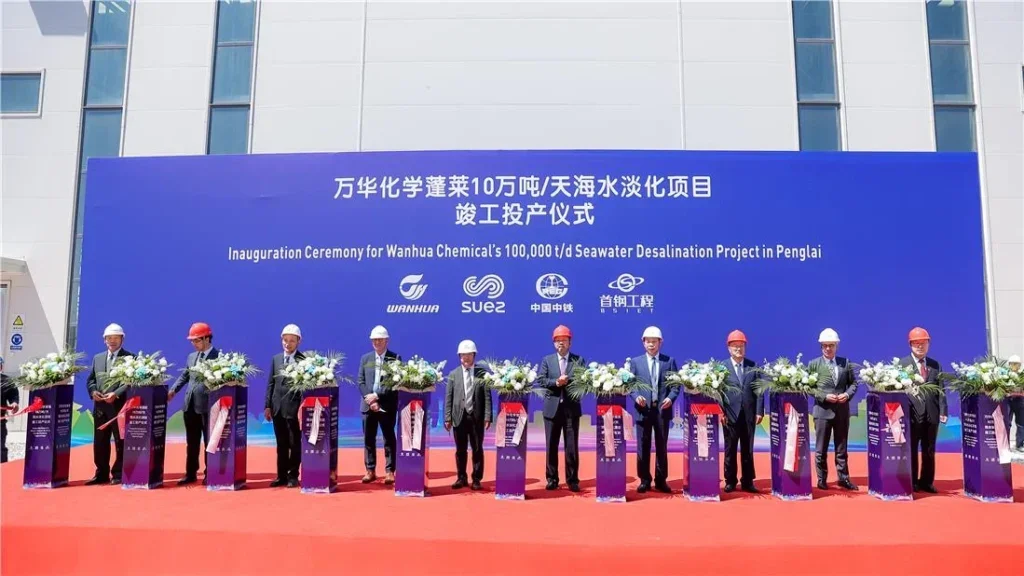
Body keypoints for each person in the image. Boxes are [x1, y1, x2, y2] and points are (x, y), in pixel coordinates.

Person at [629, 326, 679, 494]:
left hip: (662, 410)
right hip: (643, 410)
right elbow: (630, 385)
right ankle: (644, 480)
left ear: (660, 342)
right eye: (648, 341)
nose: (651, 344)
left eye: (654, 341)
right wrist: (636, 397)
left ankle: (661, 480)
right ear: (643, 343)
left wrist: (670, 398)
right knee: (643, 446)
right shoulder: (635, 362)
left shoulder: (669, 361)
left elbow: (675, 386)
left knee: (661, 446)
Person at [168, 322, 219, 485]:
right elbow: (185, 376)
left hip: (207, 406)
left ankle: (210, 473)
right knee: (192, 441)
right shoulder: (191, 357)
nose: (194, 344)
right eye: (192, 341)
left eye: (197, 340)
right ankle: (190, 473)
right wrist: (173, 390)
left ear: (207, 338)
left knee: (209, 441)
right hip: (189, 405)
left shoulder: (218, 357)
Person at [808, 328, 858, 491]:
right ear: (821, 346)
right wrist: (824, 396)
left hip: (842, 412)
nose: (828, 348)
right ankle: (822, 479)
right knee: (821, 449)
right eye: (825, 345)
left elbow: (853, 383)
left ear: (837, 346)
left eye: (831, 345)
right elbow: (808, 387)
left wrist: (847, 394)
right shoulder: (814, 364)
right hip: (822, 412)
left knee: (841, 448)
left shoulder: (845, 363)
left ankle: (843, 478)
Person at [537, 325, 585, 492]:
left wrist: (568, 380)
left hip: (571, 410)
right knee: (551, 445)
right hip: (552, 409)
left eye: (564, 340)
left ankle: (572, 480)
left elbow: (582, 380)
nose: (561, 343)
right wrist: (556, 382)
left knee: (571, 446)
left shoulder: (578, 360)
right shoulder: (547, 360)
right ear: (553, 343)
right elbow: (541, 380)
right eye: (557, 340)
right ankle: (552, 479)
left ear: (570, 342)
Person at [85, 323, 134, 485]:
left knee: (120, 441)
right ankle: (101, 473)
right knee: (100, 442)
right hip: (101, 408)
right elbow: (91, 380)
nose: (112, 341)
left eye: (116, 338)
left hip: (119, 407)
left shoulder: (130, 358)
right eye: (109, 338)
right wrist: (93, 392)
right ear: (104, 340)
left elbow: (130, 382)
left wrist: (116, 393)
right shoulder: (98, 358)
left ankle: (118, 473)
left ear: (122, 339)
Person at [901, 327, 946, 494]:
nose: (920, 346)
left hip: (932, 414)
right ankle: (912, 481)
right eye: (916, 343)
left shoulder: (935, 365)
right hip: (912, 414)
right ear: (910, 345)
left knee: (929, 449)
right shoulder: (903, 364)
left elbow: (941, 389)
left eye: (923, 343)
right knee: (911, 449)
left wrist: (943, 410)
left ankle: (926, 482)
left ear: (928, 344)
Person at [444, 340, 491, 490]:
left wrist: (488, 417)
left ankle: (476, 479)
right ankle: (461, 477)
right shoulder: (453, 374)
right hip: (459, 417)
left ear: (474, 355)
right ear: (459, 356)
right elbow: (449, 398)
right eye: (463, 355)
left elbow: (487, 397)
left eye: (469, 354)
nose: (466, 357)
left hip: (476, 417)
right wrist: (447, 417)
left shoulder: (482, 374)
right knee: (460, 450)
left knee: (477, 449)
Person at [357, 325, 402, 485]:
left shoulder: (395, 359)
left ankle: (390, 471)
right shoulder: (365, 358)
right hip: (368, 405)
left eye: (380, 339)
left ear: (386, 340)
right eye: (374, 340)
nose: (377, 342)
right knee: (368, 439)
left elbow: (394, 383)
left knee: (388, 439)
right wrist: (370, 399)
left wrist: (377, 396)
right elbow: (361, 381)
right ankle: (370, 470)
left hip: (386, 406)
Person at [721, 330, 763, 493]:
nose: (738, 349)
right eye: (735, 346)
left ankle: (748, 481)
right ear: (729, 348)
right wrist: (721, 412)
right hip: (730, 414)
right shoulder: (722, 367)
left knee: (748, 449)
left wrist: (759, 411)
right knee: (730, 449)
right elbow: (717, 392)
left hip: (749, 415)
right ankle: (730, 480)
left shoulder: (753, 366)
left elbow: (759, 390)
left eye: (741, 346)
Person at [265, 324, 304, 488]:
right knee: (281, 444)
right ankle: (281, 475)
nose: (288, 344)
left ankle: (293, 475)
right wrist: (268, 406)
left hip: (293, 410)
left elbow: (304, 388)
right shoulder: (276, 359)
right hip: (277, 409)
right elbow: (271, 383)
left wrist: (301, 408)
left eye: (292, 341)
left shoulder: (303, 360)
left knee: (294, 444)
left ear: (298, 341)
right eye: (285, 340)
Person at [0, 357, 18, 463]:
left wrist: (14, 403)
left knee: (0, 447)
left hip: (0, 420)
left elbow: (13, 394)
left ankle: (2, 468)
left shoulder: (6, 381)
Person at [1007, 354, 1023, 452]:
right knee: (1007, 423)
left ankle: (1019, 444)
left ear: (1020, 365)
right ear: (1009, 365)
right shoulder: (1004, 376)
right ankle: (1005, 445)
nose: (1014, 366)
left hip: (1020, 401)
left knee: (1021, 423)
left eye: (1016, 364)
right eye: (1012, 364)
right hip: (1008, 401)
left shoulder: (1022, 376)